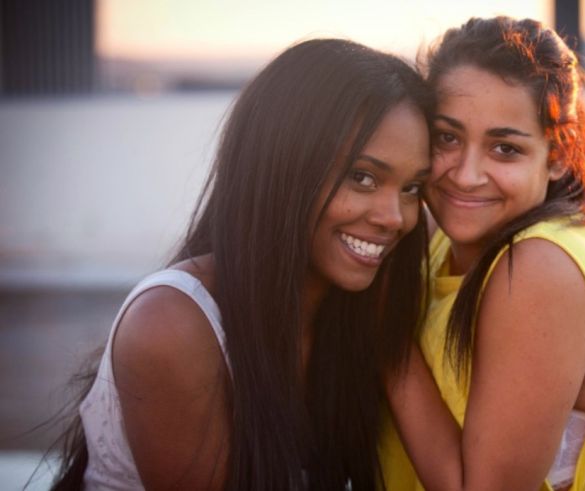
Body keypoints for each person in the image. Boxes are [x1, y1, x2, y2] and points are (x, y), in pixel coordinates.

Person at [50, 39, 432, 490]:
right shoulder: (173, 325)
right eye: (363, 177)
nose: (395, 218)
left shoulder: (354, 313)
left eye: (412, 188)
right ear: (283, 166)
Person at [380, 17, 585, 491]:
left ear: (557, 155)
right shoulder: (441, 242)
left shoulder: (540, 267)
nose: (466, 175)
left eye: (505, 149)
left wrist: (387, 342)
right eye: (448, 137)